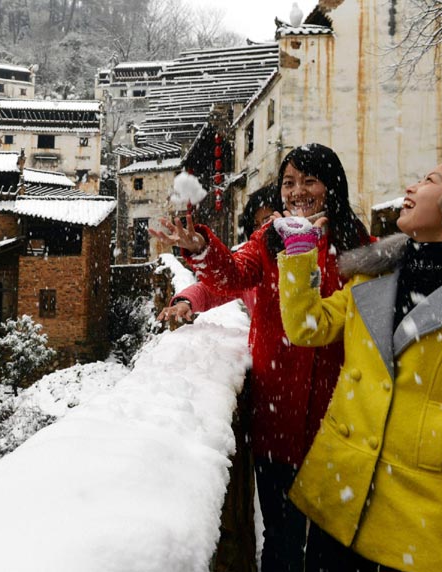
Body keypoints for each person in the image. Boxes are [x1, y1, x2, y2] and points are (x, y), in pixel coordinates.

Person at [150, 143, 372, 572]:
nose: (297, 191)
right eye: (289, 182)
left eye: (310, 180)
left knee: (335, 544)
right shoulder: (269, 240)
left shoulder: (356, 243)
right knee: (282, 539)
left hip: (340, 418)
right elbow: (231, 275)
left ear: (333, 187)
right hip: (279, 418)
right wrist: (200, 247)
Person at [274, 158, 442, 572]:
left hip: (423, 513)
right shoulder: (372, 278)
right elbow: (307, 327)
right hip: (340, 492)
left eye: (429, 180)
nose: (411, 186)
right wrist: (300, 255)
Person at [157, 184, 281, 324]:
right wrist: (186, 301)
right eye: (255, 225)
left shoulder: (298, 256)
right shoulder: (251, 265)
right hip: (262, 346)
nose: (261, 230)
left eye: (267, 221)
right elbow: (211, 289)